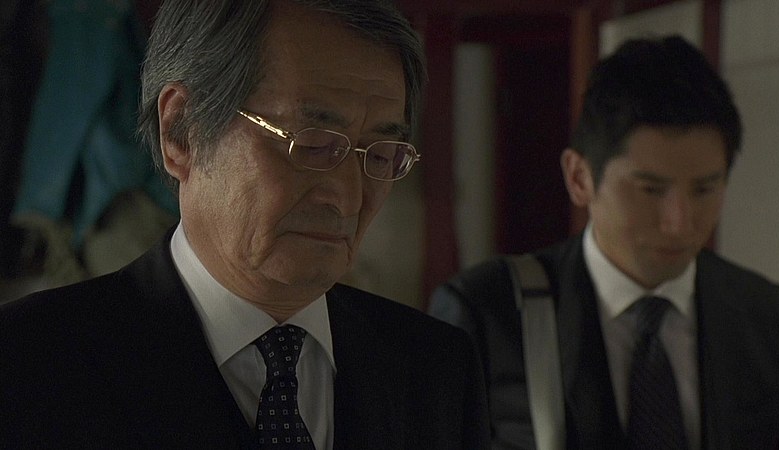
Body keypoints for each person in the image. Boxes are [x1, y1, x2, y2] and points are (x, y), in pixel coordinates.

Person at [0, 1, 490, 448]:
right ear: (182, 132)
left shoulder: (434, 367)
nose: (348, 196)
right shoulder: (30, 363)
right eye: (312, 143)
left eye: (379, 155)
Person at [430, 36, 779, 449]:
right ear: (579, 178)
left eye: (705, 189)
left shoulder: (764, 315)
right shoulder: (487, 313)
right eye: (651, 190)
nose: (679, 223)